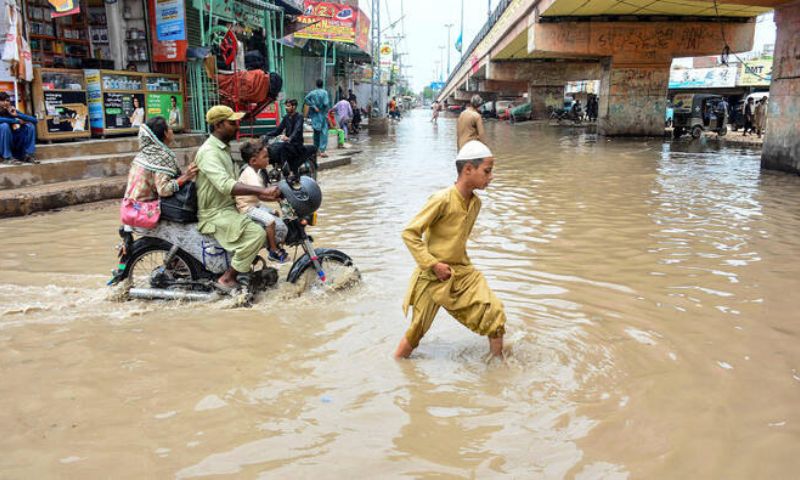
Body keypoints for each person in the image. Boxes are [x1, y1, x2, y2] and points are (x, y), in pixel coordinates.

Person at [394, 140, 506, 359]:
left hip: (462, 271)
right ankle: (396, 365)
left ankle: (498, 365)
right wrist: (433, 265)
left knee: (494, 312)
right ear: (468, 169)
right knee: (416, 332)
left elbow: (457, 242)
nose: (491, 177)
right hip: (433, 274)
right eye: (487, 171)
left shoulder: (476, 204)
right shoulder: (442, 199)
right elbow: (410, 233)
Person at [195, 105, 282, 291]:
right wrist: (262, 191)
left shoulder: (224, 149)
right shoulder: (209, 152)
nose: (237, 126)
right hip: (216, 213)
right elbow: (226, 185)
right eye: (232, 123)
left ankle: (246, 267)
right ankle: (228, 278)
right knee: (256, 234)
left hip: (229, 208)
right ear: (218, 125)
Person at [122, 116, 197, 205]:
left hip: (129, 207)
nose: (172, 131)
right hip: (145, 209)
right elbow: (164, 190)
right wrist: (185, 177)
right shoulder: (162, 157)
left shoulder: (142, 154)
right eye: (169, 128)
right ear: (165, 133)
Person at [235, 140, 288, 263]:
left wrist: (276, 198)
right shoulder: (250, 174)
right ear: (253, 161)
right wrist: (276, 195)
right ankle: (273, 250)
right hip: (247, 208)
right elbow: (262, 195)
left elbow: (260, 196)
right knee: (270, 221)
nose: (268, 159)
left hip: (255, 203)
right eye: (265, 157)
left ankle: (272, 243)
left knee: (275, 213)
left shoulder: (255, 171)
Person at [264, 98, 310, 176]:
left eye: (288, 106)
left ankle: (288, 172)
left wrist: (290, 138)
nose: (286, 108)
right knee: (273, 147)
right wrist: (266, 135)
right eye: (286, 106)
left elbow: (297, 129)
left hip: (296, 145)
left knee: (283, 147)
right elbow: (278, 130)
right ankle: (276, 168)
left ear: (294, 107)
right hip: (288, 144)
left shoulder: (299, 117)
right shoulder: (286, 117)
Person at [0, 91, 38, 164]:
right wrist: (16, 121)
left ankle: (28, 155)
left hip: (11, 138)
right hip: (2, 140)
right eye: (2, 100)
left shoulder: (10, 110)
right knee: (4, 125)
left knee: (29, 126)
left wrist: (17, 115)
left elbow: (34, 120)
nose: (5, 103)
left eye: (7, 100)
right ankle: (7, 157)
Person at [304, 79, 331, 158]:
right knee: (324, 132)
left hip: (315, 115)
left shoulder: (312, 92)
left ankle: (315, 150)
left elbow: (306, 99)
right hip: (322, 114)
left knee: (316, 132)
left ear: (316, 84)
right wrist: (323, 108)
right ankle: (322, 151)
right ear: (322, 84)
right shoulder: (325, 92)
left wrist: (313, 106)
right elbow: (326, 103)